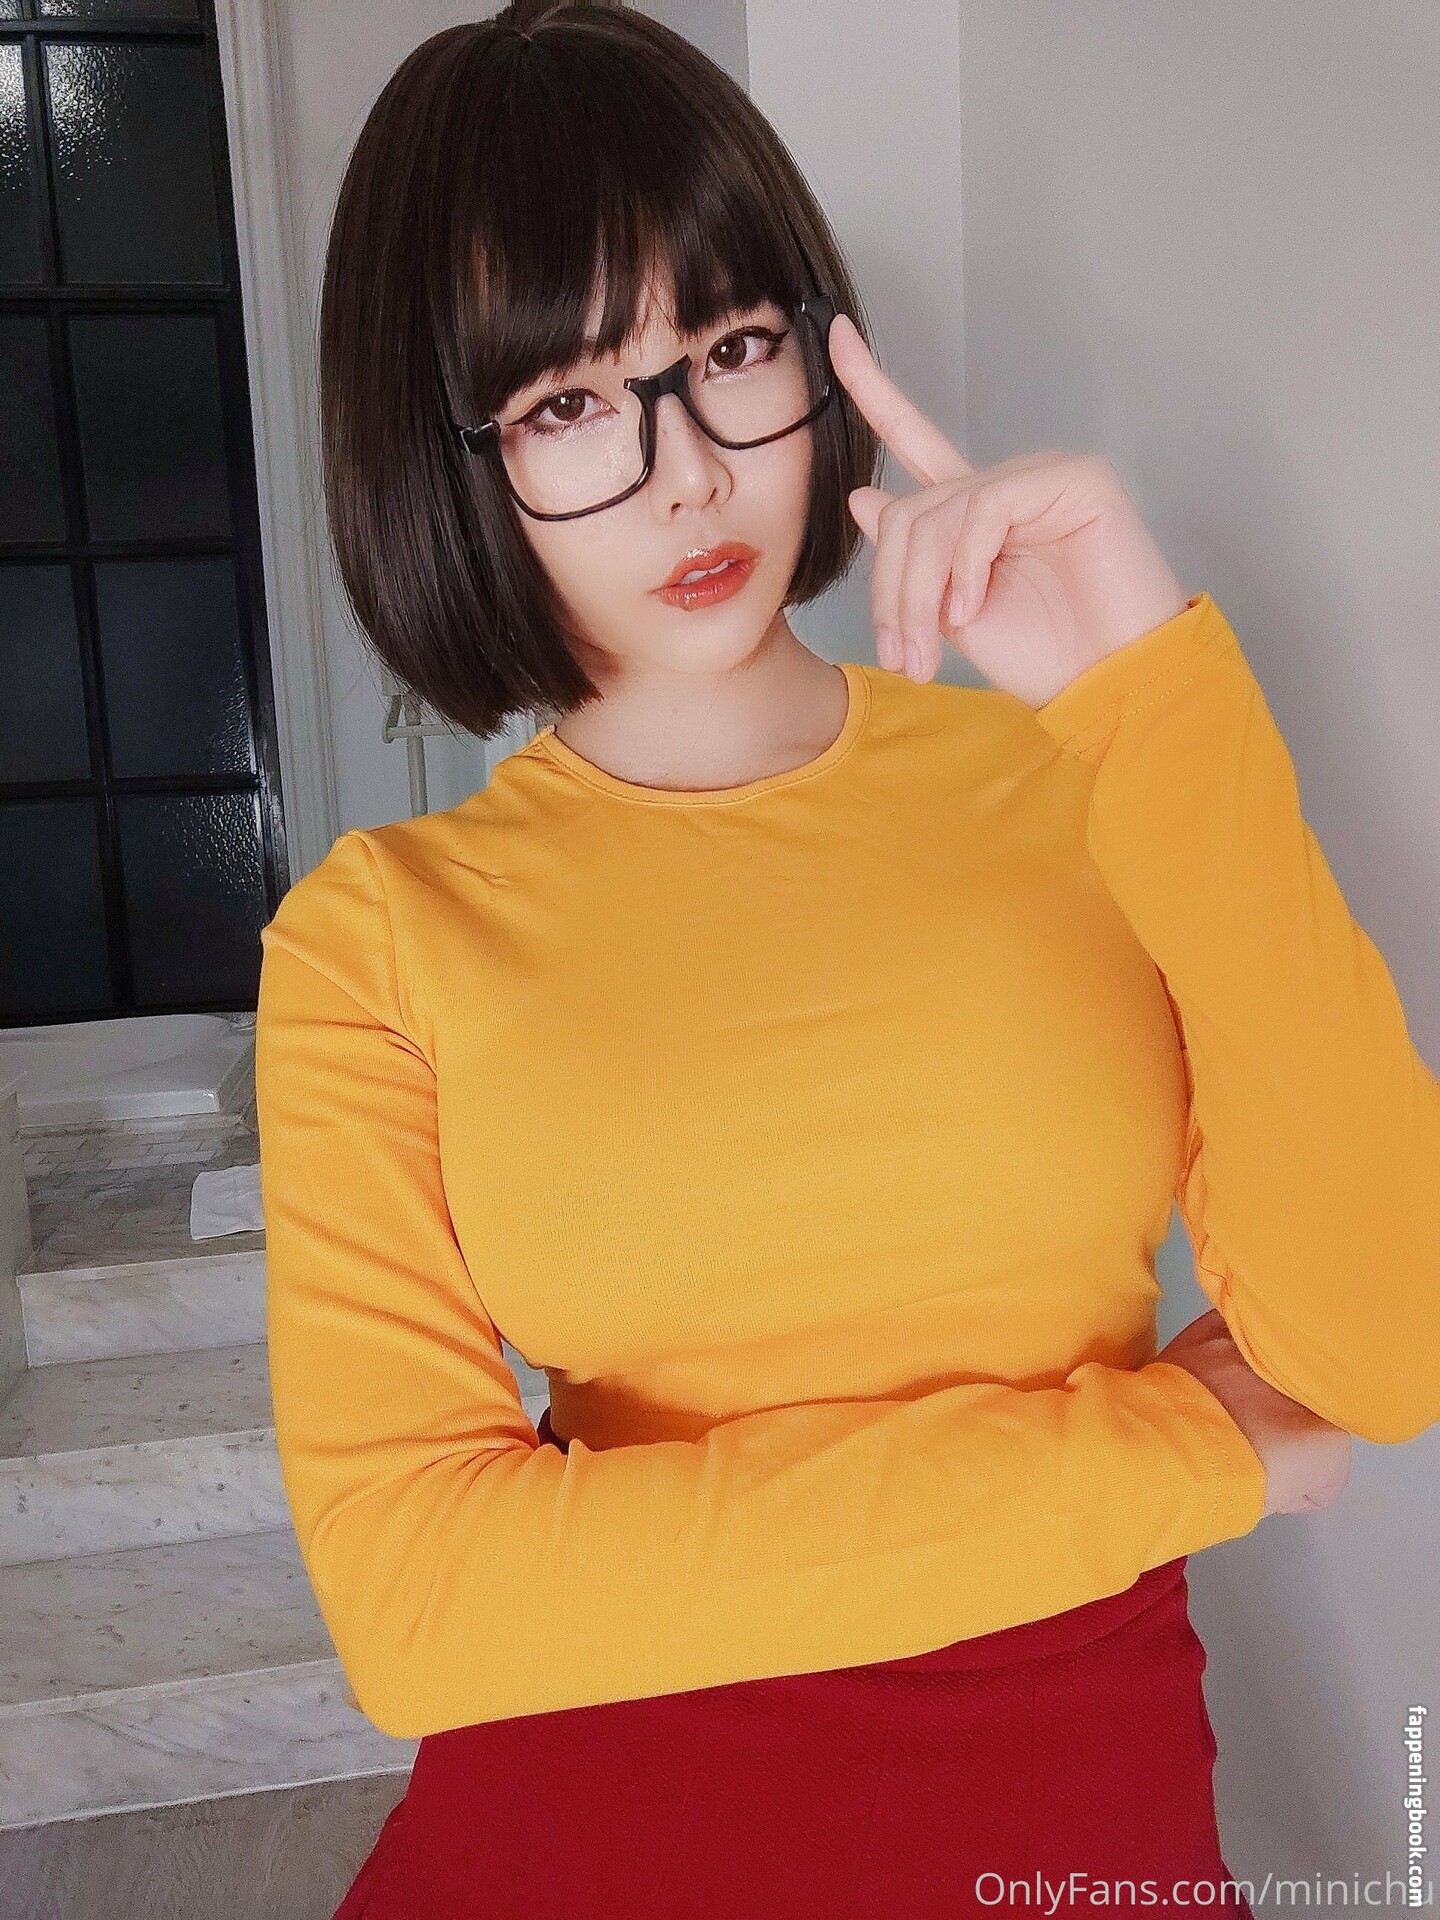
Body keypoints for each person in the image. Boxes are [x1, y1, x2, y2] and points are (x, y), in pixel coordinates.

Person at [253, 5, 1440, 1916]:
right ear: (449, 461)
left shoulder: (1081, 781)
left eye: (732, 351)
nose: (687, 476)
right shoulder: (378, 937)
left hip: (1082, 1840)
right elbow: (425, 1607)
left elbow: (1384, 1344)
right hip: (587, 1853)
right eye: (566, 406)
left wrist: (1156, 703)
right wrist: (1180, 1448)